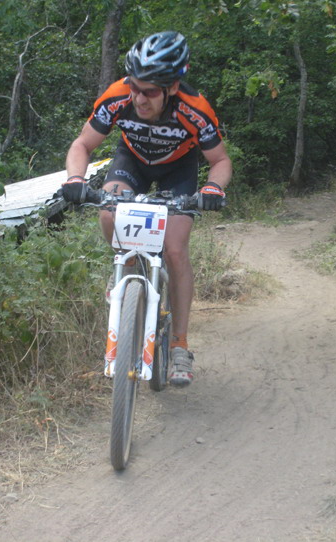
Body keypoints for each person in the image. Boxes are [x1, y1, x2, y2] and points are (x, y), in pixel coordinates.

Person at [62, 31, 232, 387]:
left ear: (173, 87)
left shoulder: (195, 109)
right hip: (132, 162)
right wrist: (76, 179)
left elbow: (219, 160)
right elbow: (82, 144)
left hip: (178, 170)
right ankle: (123, 269)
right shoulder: (117, 96)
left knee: (175, 249)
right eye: (135, 87)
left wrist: (213, 188)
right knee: (108, 210)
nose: (139, 98)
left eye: (150, 91)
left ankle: (180, 345)